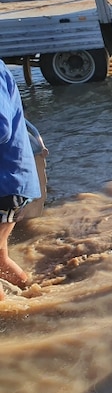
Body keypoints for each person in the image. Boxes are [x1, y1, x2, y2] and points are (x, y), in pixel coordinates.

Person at [0, 60, 40, 298]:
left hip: (6, 184)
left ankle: (9, 321)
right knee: (1, 259)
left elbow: (2, 129)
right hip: (14, 182)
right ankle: (35, 299)